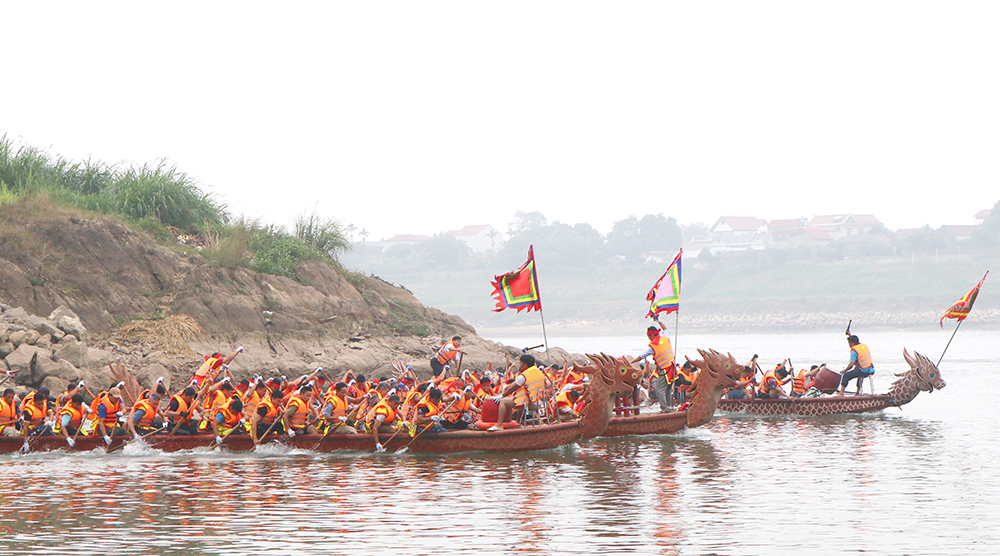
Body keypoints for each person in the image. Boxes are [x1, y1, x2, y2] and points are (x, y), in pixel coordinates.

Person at [488, 354, 551, 431]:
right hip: (539, 402)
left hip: (529, 403)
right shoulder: (540, 373)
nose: (520, 365)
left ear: (525, 364)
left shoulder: (524, 376)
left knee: (503, 401)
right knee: (522, 397)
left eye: (521, 363)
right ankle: (518, 422)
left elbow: (512, 388)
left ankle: (499, 425)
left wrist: (502, 395)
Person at [635, 317, 674, 412]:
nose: (648, 338)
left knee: (659, 389)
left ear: (652, 335)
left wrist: (632, 362)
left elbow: (642, 355)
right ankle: (669, 405)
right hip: (672, 368)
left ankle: (665, 407)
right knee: (668, 389)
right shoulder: (665, 338)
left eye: (649, 336)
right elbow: (666, 329)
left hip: (665, 370)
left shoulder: (653, 346)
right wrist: (659, 321)